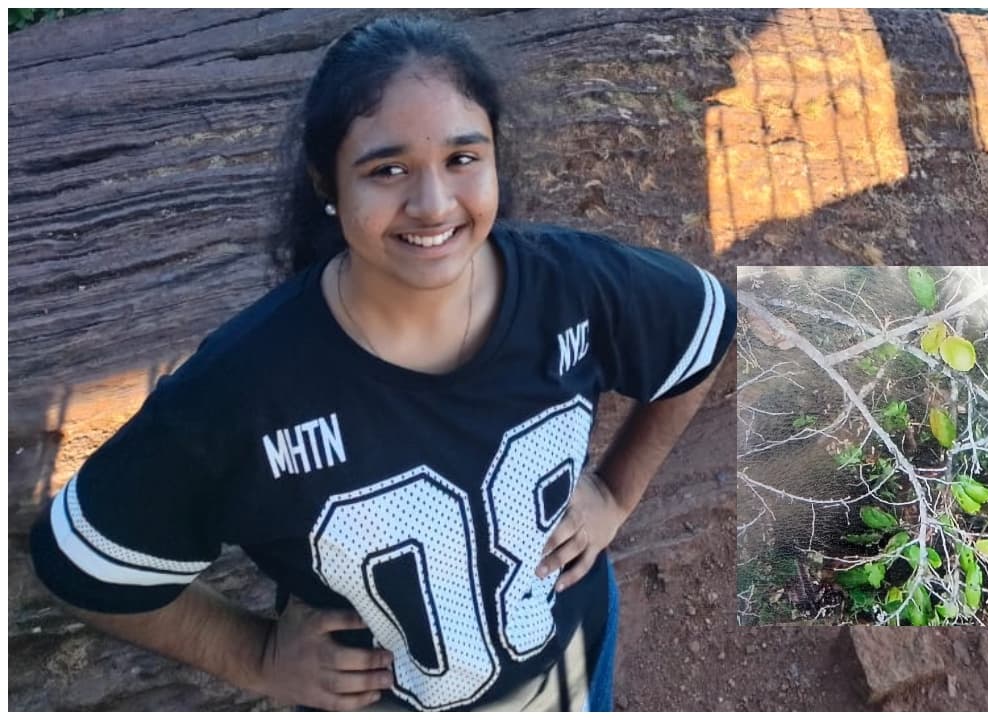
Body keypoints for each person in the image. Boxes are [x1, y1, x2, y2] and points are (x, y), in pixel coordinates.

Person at [29, 16, 735, 712]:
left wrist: (615, 493)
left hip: (574, 672)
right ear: (326, 182)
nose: (432, 204)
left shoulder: (571, 284)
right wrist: (256, 656)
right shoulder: (249, 387)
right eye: (387, 170)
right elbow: (81, 562)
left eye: (463, 158)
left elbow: (705, 327)